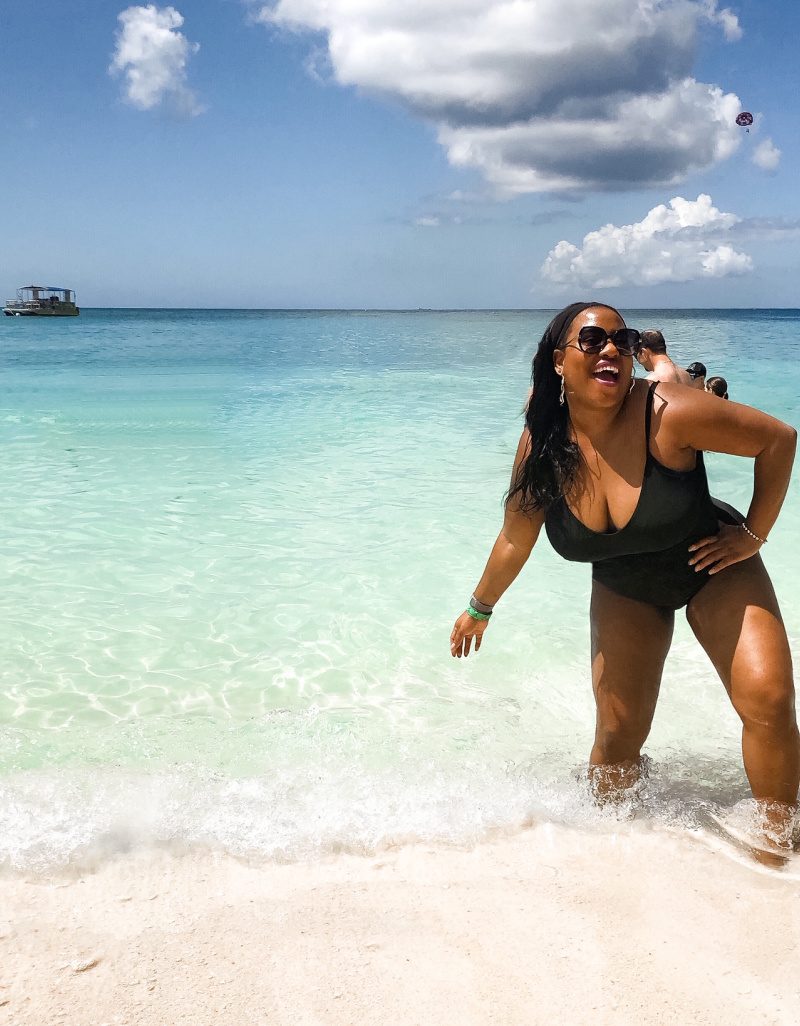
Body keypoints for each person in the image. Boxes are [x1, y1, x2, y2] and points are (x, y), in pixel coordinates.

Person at [450, 302, 799, 858]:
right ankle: (608, 848)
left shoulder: (668, 413)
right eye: (591, 340)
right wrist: (480, 606)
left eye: (621, 338)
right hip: (626, 579)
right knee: (616, 740)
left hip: (711, 563)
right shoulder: (542, 445)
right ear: (558, 361)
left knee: (769, 700)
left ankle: (779, 849)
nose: (610, 348)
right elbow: (517, 535)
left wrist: (753, 535)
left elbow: (779, 439)